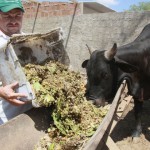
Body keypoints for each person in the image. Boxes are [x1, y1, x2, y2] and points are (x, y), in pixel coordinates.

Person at [0, 0, 32, 125]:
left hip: (30, 112)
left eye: (17, 15)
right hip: (5, 117)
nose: (13, 20)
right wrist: (1, 92)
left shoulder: (30, 40)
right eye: (7, 15)